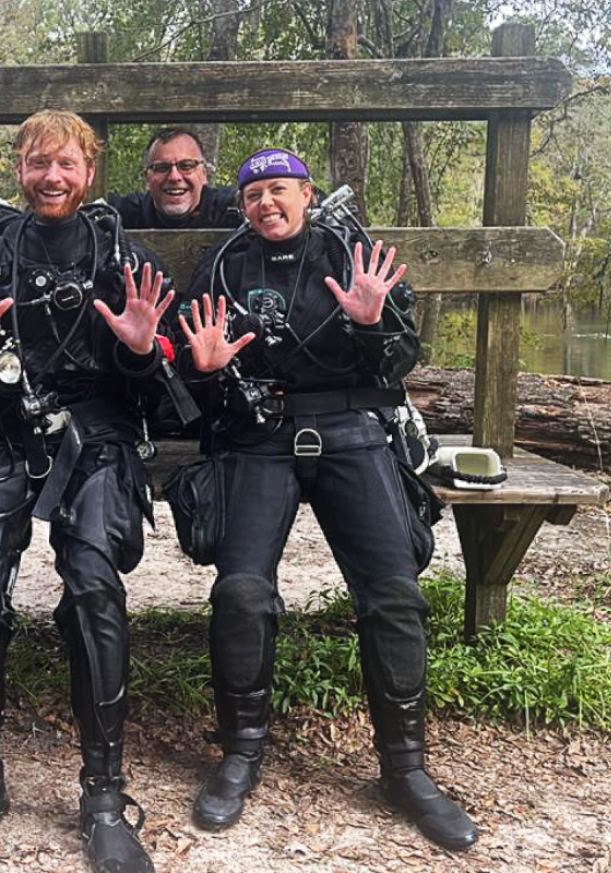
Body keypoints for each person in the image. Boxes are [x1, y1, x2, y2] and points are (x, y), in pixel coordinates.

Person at [170, 148, 478, 851]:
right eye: (252, 195)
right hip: (258, 432)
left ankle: (406, 768)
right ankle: (241, 751)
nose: (265, 204)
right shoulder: (223, 266)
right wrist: (207, 368)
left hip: (350, 426)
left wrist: (374, 325)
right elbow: (191, 367)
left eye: (279, 190)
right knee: (240, 591)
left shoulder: (351, 250)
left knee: (394, 592)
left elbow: (403, 360)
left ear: (306, 194)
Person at [0, 110, 182, 873]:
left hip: (94, 434)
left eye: (66, 163)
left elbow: (160, 393)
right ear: (20, 169)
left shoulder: (118, 254)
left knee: (96, 583)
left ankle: (103, 794)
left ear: (90, 171)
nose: (52, 177)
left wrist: (137, 355)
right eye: (38, 163)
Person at [106, 127, 242, 229]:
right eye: (161, 168)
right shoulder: (127, 213)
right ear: (147, 178)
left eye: (186, 166)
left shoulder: (229, 208)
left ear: (204, 174)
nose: (174, 177)